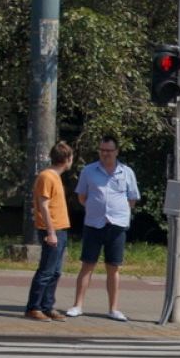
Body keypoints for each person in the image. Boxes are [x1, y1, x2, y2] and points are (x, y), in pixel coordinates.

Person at [66, 135, 140, 321]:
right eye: (102, 150)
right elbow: (82, 196)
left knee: (113, 267)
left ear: (117, 152)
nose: (105, 154)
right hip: (94, 223)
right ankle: (77, 305)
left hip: (117, 225)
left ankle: (113, 308)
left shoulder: (126, 172)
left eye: (109, 151)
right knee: (87, 265)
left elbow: (132, 199)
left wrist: (117, 211)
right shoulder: (89, 171)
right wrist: (95, 208)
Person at [23, 141, 74, 321]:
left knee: (56, 271)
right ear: (67, 159)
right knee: (46, 270)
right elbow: (44, 206)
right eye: (71, 157)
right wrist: (51, 232)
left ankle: (47, 306)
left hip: (61, 228)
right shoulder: (47, 177)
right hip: (51, 229)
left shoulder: (56, 177)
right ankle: (34, 307)